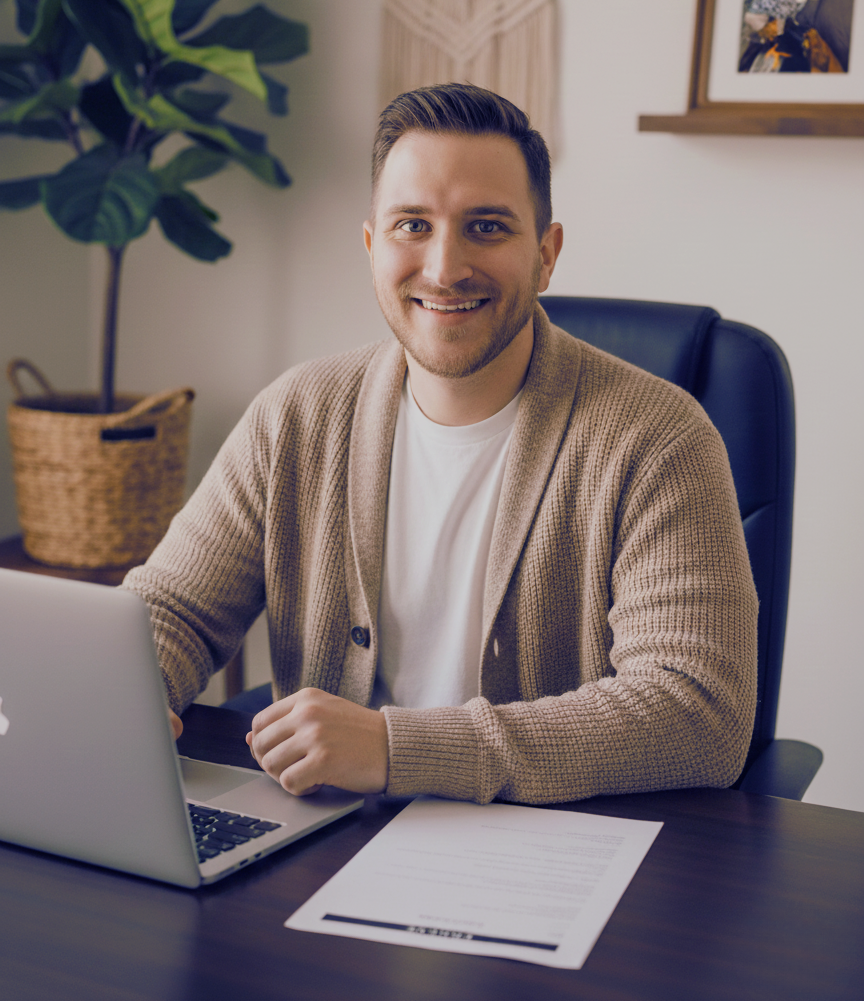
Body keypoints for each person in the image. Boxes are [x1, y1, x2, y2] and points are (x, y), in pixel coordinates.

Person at [124, 83, 757, 806]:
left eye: (486, 227)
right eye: (412, 225)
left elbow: (697, 712)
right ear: (372, 247)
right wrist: (122, 694)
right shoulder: (295, 415)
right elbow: (171, 611)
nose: (445, 266)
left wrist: (398, 749)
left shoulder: (658, 440)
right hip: (323, 836)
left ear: (546, 255)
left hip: (548, 861)